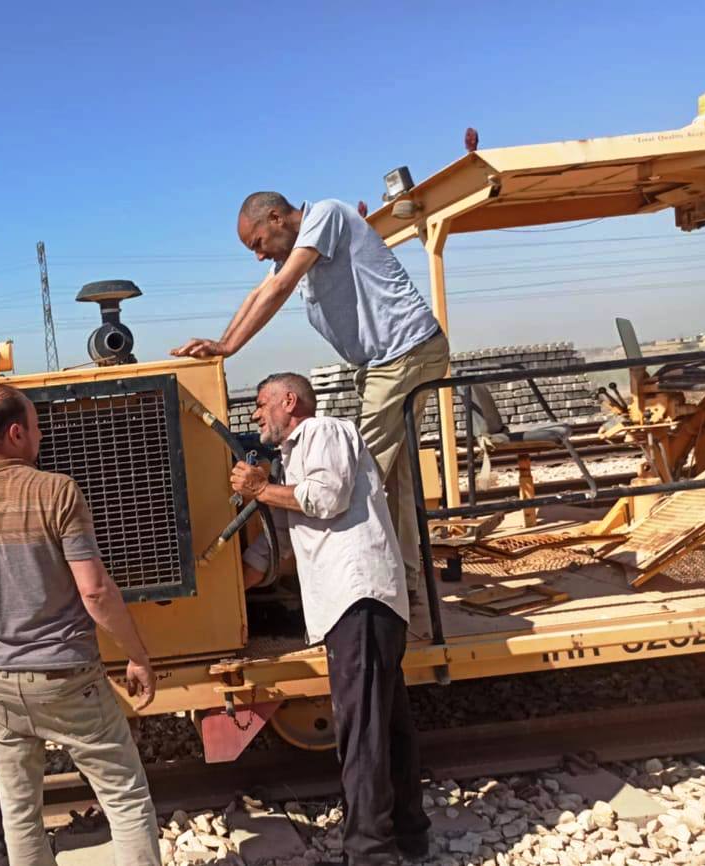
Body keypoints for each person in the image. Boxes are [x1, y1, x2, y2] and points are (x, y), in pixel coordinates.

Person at [0, 385, 160, 866]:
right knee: (124, 796)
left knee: (19, 809)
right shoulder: (56, 491)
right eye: (35, 427)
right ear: (16, 433)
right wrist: (137, 655)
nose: (40, 436)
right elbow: (95, 591)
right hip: (66, 675)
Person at [172, 193, 451, 594]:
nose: (259, 256)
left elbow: (280, 287)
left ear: (276, 218)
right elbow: (258, 294)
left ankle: (363, 590)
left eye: (258, 244)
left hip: (402, 355)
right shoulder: (296, 251)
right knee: (395, 477)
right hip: (387, 363)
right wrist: (220, 345)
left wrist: (229, 347)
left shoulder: (325, 215)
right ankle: (405, 582)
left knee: (355, 475)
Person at [231, 373, 430, 866]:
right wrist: (226, 592)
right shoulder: (290, 463)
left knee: (361, 731)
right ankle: (410, 833)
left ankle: (369, 852)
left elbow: (326, 498)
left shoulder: (325, 431)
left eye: (261, 402)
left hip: (359, 599)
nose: (256, 414)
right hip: (356, 606)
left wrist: (260, 487)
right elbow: (274, 546)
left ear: (289, 401)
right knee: (386, 724)